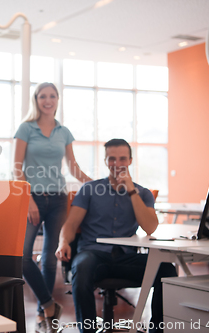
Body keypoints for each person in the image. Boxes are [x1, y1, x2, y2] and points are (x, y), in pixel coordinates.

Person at [55, 138, 177, 333]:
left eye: (122, 159)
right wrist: (63, 243)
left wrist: (131, 191)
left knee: (166, 270)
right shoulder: (89, 189)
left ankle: (157, 331)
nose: (117, 164)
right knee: (82, 267)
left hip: (126, 257)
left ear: (130, 160)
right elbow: (70, 224)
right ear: (105, 161)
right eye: (112, 159)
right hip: (93, 255)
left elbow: (150, 228)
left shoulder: (143, 193)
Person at [13, 82, 92, 333]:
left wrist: (97, 183)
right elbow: (16, 169)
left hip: (58, 199)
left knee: (49, 259)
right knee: (23, 257)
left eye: (52, 96)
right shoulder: (26, 129)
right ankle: (48, 304)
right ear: (36, 100)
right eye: (43, 96)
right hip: (33, 198)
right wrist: (28, 200)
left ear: (58, 100)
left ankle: (42, 314)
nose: (48, 100)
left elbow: (73, 167)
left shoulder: (64, 131)